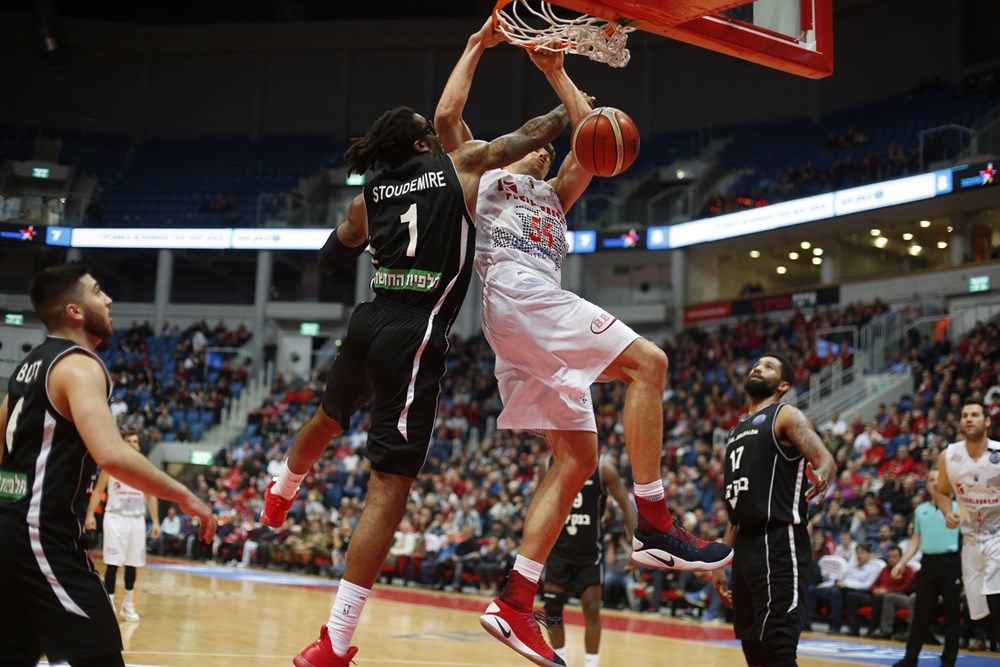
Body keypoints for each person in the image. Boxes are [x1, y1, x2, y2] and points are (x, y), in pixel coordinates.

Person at [434, 18, 733, 667]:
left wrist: (554, 72)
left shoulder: (555, 193)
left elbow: (595, 138)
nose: (546, 150)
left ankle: (514, 600)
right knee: (649, 363)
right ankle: (655, 523)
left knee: (575, 458)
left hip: (524, 320)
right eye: (535, 146)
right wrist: (475, 46)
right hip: (517, 294)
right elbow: (448, 115)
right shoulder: (481, 178)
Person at [258, 87, 574, 667]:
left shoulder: (368, 196)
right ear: (425, 142)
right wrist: (571, 108)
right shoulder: (460, 164)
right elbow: (531, 135)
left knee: (327, 419)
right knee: (390, 487)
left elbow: (331, 257)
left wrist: (368, 236)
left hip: (368, 320)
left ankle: (280, 494)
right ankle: (333, 641)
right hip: (415, 331)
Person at [0, 262, 216, 667]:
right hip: (41, 536)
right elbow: (111, 454)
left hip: (11, 531)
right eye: (98, 291)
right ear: (74, 311)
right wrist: (185, 495)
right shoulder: (79, 364)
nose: (109, 298)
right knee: (98, 651)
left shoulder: (27, 367)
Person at [712, 353, 837, 667]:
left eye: (768, 366)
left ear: (783, 384)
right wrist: (719, 560)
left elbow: (825, 458)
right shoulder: (735, 432)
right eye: (756, 364)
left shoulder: (786, 415)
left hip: (779, 540)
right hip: (744, 550)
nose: (757, 367)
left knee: (778, 650)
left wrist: (821, 474)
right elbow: (738, 506)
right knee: (753, 650)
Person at [539, 453, 637, 667]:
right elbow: (537, 507)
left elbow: (626, 505)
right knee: (552, 610)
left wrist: (637, 543)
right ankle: (559, 662)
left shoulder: (603, 468)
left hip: (589, 554)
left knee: (592, 609)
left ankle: (591, 664)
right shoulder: (548, 464)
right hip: (557, 551)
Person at [933, 400, 1000, 644]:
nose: (969, 419)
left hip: (998, 534)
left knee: (995, 597)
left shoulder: (999, 453)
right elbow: (941, 493)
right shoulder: (948, 456)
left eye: (975, 415)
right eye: (965, 415)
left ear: (988, 421)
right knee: (979, 614)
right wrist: (947, 511)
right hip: (970, 540)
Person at [84, 430, 160, 622]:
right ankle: (109, 606)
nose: (133, 444)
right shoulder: (111, 466)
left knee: (133, 564)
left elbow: (152, 496)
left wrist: (156, 521)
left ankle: (128, 605)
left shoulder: (145, 468)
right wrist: (90, 513)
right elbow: (98, 491)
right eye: (129, 441)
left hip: (136, 519)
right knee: (113, 563)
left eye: (136, 441)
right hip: (115, 517)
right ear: (122, 443)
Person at [889, 468, 961, 665]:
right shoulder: (920, 510)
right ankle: (910, 658)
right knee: (920, 613)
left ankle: (949, 660)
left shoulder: (958, 507)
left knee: (951, 614)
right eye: (930, 480)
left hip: (951, 563)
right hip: (928, 563)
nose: (935, 483)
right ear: (927, 485)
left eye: (939, 480)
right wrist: (901, 563)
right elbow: (915, 541)